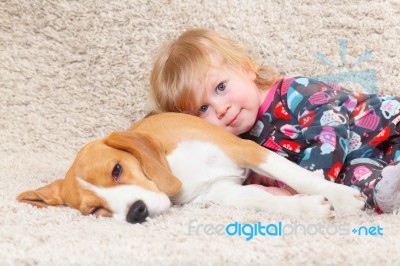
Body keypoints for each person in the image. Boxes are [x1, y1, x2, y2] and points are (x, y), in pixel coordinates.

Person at [150, 28, 400, 213]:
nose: (221, 109)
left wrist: (296, 188)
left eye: (221, 87)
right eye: (203, 108)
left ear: (247, 68)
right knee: (360, 191)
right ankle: (388, 189)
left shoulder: (296, 92)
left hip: (387, 126)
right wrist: (263, 188)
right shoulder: (242, 143)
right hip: (361, 164)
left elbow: (331, 134)